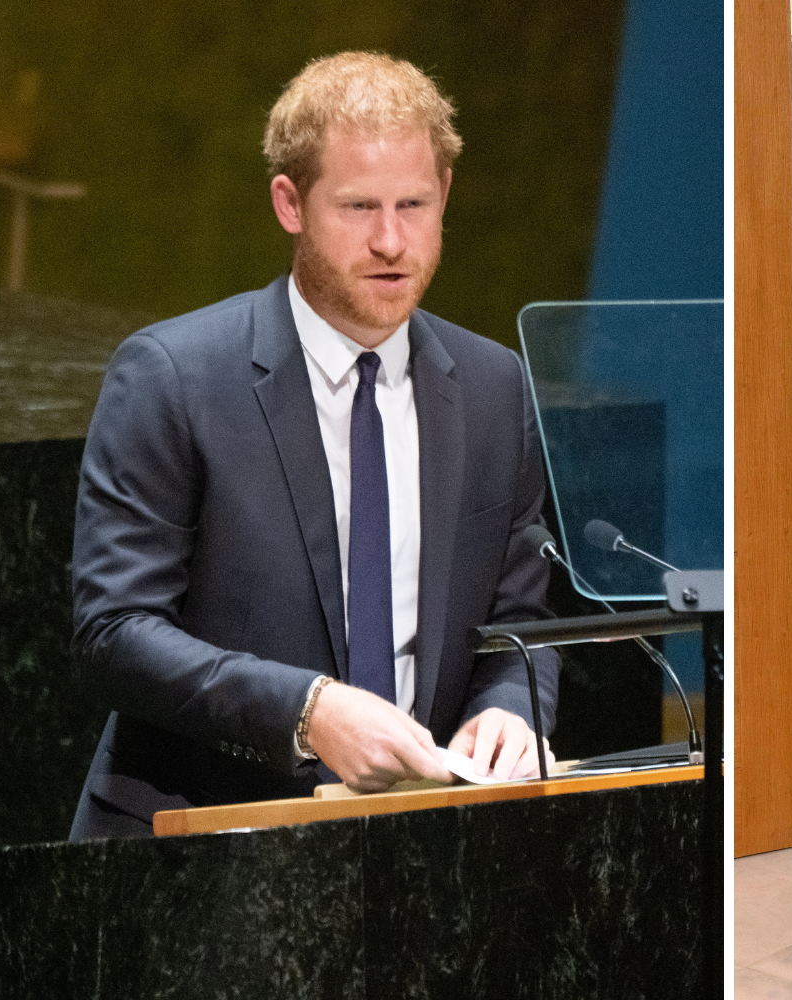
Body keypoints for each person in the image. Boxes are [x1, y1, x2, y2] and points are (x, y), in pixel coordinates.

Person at [69, 52, 559, 841]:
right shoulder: (172, 376)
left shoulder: (493, 385)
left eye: (414, 204)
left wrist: (509, 704)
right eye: (359, 206)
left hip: (421, 847)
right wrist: (307, 712)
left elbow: (516, 620)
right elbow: (114, 632)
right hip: (201, 845)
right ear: (289, 203)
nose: (392, 240)